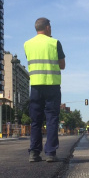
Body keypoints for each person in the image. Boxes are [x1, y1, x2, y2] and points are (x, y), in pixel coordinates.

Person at [24, 17, 65, 162]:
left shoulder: (27, 44)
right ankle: (50, 153)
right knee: (52, 118)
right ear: (47, 27)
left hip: (35, 86)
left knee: (36, 120)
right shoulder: (54, 43)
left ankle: (34, 153)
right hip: (52, 86)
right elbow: (62, 65)